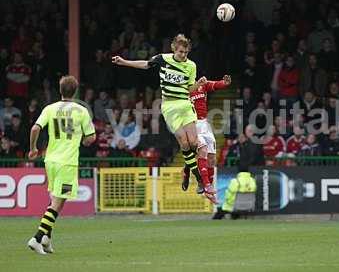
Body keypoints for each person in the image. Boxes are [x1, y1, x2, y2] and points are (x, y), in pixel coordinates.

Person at [112, 34, 216, 202]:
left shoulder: (191, 66)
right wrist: (124, 62)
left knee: (193, 142)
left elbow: (190, 89)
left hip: (184, 104)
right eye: (181, 52)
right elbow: (145, 64)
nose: (183, 55)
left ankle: (188, 170)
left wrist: (199, 84)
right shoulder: (163, 59)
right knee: (184, 143)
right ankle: (198, 178)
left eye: (186, 52)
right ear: (174, 49)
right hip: (170, 106)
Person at [27, 76, 96, 255]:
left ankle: (47, 239)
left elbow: (35, 128)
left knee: (54, 199)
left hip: (50, 159)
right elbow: (91, 138)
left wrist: (33, 148)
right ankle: (37, 237)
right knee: (58, 203)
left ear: (60, 90)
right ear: (75, 91)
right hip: (67, 161)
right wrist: (85, 139)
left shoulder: (50, 109)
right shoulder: (81, 111)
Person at [182, 74, 231, 192]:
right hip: (191, 125)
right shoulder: (182, 91)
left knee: (212, 158)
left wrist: (224, 83)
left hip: (205, 124)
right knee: (202, 151)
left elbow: (215, 84)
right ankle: (204, 183)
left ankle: (202, 178)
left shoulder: (201, 84)